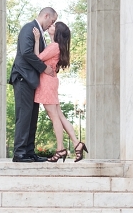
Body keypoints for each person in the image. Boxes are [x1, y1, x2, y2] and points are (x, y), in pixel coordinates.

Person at [33, 21, 88, 163]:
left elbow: (37, 59)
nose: (50, 26)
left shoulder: (54, 46)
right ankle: (77, 143)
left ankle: (60, 148)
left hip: (46, 83)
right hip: (51, 82)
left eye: (53, 26)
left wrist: (37, 39)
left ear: (56, 32)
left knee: (54, 117)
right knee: (60, 116)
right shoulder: (57, 47)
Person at [8, 7, 57, 162]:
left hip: (33, 81)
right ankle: (20, 152)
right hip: (23, 78)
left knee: (32, 116)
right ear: (46, 15)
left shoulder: (39, 33)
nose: (51, 25)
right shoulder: (28, 28)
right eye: (52, 21)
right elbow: (26, 52)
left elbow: (41, 55)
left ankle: (29, 151)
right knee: (24, 116)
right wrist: (44, 69)